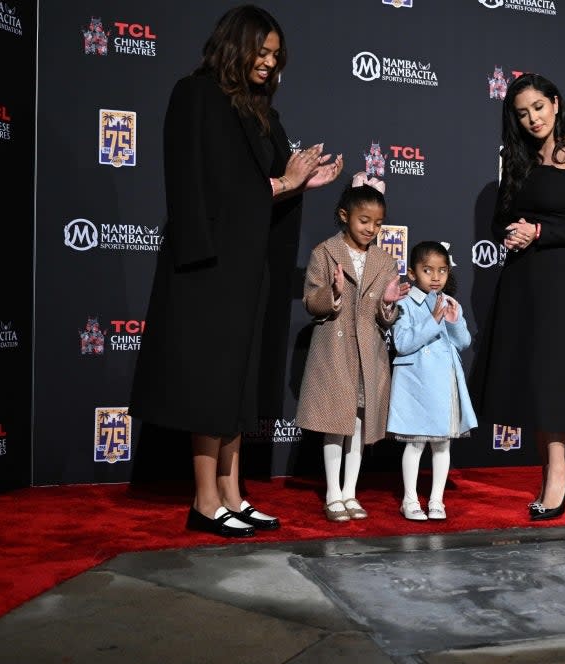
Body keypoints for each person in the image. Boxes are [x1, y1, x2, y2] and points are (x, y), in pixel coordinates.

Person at [130, 5, 343, 538]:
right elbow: (195, 187)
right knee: (211, 380)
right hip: (207, 267)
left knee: (239, 383)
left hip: (250, 265)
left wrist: (301, 184)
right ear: (236, 44)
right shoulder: (195, 94)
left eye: (276, 56)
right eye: (262, 51)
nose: (270, 63)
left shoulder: (260, 112)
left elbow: (268, 184)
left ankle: (232, 493)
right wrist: (281, 185)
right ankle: (204, 500)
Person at [471, 73, 565, 521]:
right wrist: (512, 233)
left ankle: (556, 474)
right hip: (524, 280)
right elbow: (501, 218)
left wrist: (539, 230)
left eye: (538, 107)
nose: (532, 118)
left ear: (555, 104)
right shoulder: (515, 159)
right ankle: (554, 468)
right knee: (538, 380)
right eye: (522, 113)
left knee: (556, 378)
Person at [295, 173, 410, 522]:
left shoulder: (385, 261)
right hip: (333, 350)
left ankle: (350, 492)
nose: (371, 229)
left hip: (369, 355)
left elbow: (384, 318)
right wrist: (332, 294)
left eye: (377, 224)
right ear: (344, 215)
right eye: (364, 221)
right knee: (336, 423)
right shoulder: (325, 253)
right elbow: (311, 301)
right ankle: (332, 493)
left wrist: (389, 304)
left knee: (360, 426)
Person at [387, 241, 477, 521]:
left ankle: (437, 499)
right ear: (412, 274)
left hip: (444, 383)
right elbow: (402, 343)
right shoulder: (404, 303)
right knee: (415, 444)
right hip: (416, 384)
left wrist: (453, 320)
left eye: (442, 271)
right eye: (427, 270)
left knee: (442, 445)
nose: (436, 277)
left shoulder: (449, 303)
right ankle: (410, 499)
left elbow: (463, 342)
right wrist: (433, 321)